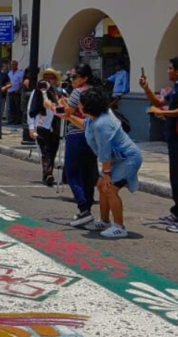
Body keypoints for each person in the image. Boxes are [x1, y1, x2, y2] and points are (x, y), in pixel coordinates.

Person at [61, 87, 142, 238]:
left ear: (88, 105)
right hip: (120, 158)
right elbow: (85, 124)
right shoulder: (96, 118)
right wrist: (68, 117)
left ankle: (119, 227)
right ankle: (104, 221)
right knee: (101, 186)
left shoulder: (102, 125)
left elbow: (105, 152)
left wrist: (106, 174)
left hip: (128, 158)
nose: (78, 106)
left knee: (110, 189)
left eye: (80, 103)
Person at [57, 63, 99, 227]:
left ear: (84, 78)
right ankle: (86, 209)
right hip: (93, 135)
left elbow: (65, 114)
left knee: (72, 172)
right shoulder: (94, 91)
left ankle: (83, 207)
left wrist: (52, 105)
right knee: (88, 173)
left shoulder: (78, 92)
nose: (71, 80)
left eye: (74, 77)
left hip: (77, 134)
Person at [141, 57, 178, 232]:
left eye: (170, 68)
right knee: (174, 178)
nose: (167, 71)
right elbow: (160, 102)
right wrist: (146, 88)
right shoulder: (176, 88)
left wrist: (160, 112)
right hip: (172, 138)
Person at [28, 68, 63, 186]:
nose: (48, 80)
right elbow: (30, 110)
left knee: (53, 150)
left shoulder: (59, 92)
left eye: (51, 78)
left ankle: (48, 172)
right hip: (41, 124)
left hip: (56, 125)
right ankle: (48, 173)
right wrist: (31, 127)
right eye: (46, 78)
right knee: (45, 150)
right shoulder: (37, 92)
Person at [2, 60, 24, 125]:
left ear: (17, 65)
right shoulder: (9, 73)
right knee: (11, 107)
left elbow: (22, 83)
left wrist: (18, 89)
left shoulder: (20, 73)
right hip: (10, 91)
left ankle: (18, 120)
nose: (12, 66)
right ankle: (12, 120)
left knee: (18, 107)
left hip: (17, 92)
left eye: (13, 64)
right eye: (11, 65)